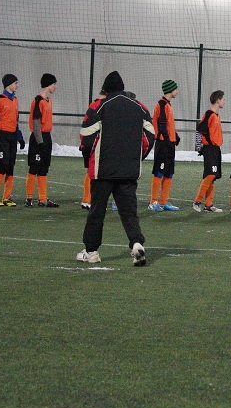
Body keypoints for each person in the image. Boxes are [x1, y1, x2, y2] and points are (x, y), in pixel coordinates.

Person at [77, 71, 153, 265]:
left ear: (106, 89)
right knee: (129, 212)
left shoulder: (98, 106)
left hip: (103, 170)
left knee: (97, 212)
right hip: (128, 170)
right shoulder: (139, 107)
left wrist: (88, 161)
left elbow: (86, 138)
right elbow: (150, 135)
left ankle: (91, 251)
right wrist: (137, 157)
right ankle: (136, 243)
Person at [0, 74, 25, 206]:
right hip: (1, 137)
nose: (17, 85)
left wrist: (20, 138)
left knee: (11, 167)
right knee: (4, 165)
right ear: (9, 84)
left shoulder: (15, 100)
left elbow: (15, 121)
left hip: (12, 137)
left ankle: (6, 198)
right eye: (15, 83)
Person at [25, 73, 59, 208]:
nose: (55, 87)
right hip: (38, 138)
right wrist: (40, 142)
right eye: (54, 84)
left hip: (46, 137)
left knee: (44, 168)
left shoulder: (49, 101)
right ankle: (29, 198)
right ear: (48, 84)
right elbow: (36, 123)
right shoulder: (38, 101)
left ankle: (43, 199)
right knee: (34, 167)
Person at [149, 79, 181, 211]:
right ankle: (153, 202)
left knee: (169, 173)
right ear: (170, 90)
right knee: (159, 171)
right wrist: (167, 140)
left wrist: (175, 136)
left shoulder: (168, 105)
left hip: (169, 143)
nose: (177, 91)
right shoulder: (161, 104)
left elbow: (168, 125)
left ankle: (163, 202)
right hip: (163, 144)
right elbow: (161, 125)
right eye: (175, 89)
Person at [193, 90, 226, 213]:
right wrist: (199, 146)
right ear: (218, 100)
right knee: (210, 175)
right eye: (223, 99)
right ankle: (197, 201)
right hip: (209, 149)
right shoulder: (209, 114)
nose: (224, 102)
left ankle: (209, 204)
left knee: (213, 176)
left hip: (215, 149)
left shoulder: (216, 115)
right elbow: (199, 129)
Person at [80, 91, 106, 210]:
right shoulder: (97, 106)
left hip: (89, 142)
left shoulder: (95, 105)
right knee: (92, 172)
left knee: (92, 171)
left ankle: (88, 200)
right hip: (94, 143)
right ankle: (87, 200)